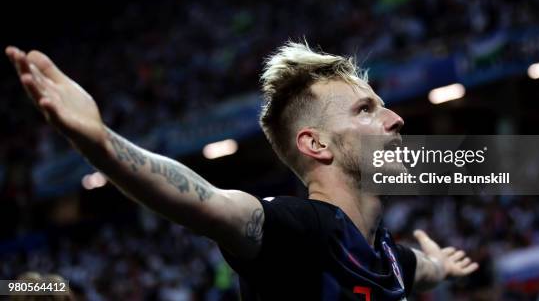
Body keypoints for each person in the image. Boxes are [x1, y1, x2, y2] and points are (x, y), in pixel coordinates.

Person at [6, 41, 478, 300]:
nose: (395, 118)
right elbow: (207, 202)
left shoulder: (388, 256)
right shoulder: (298, 231)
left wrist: (441, 265)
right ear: (315, 144)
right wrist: (103, 145)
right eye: (365, 110)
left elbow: (417, 272)